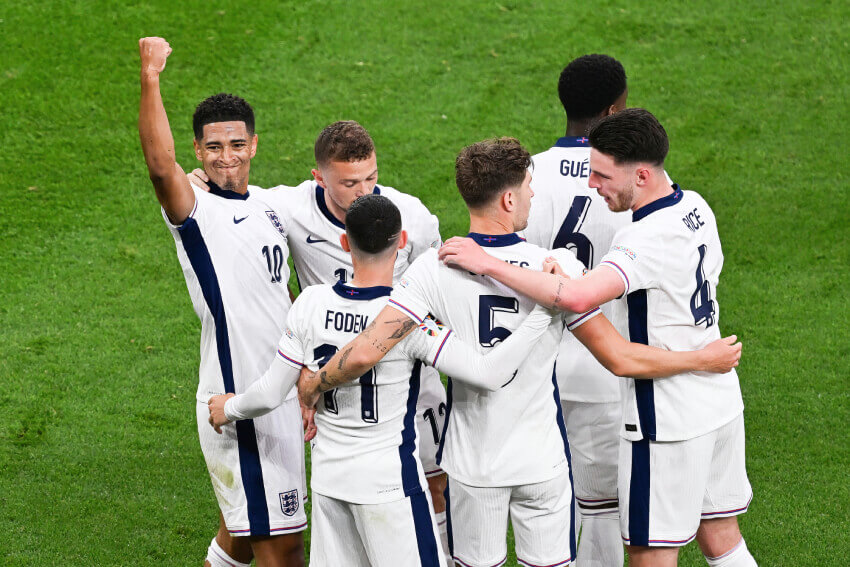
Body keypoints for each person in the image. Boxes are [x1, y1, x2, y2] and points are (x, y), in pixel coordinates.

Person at [298, 138, 742, 567]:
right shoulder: (558, 273)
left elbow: (367, 348)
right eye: (529, 187)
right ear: (509, 200)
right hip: (542, 462)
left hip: (473, 467)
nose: (534, 194)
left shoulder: (432, 270)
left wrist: (313, 385)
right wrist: (702, 360)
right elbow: (620, 357)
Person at [439, 110, 755, 567]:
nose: (592, 183)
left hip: (666, 419)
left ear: (641, 175)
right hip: (722, 404)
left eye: (603, 174)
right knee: (722, 537)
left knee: (650, 553)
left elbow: (579, 297)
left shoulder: (645, 238)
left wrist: (488, 262)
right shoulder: (696, 207)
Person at [206, 194, 556, 567]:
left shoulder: (310, 302)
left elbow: (270, 393)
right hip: (389, 486)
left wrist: (227, 407)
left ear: (345, 242)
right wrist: (543, 313)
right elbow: (489, 374)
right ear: (401, 241)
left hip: (329, 482)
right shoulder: (409, 317)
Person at [191, 120, 454, 562]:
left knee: (435, 479)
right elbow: (230, 199)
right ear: (319, 178)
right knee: (287, 511)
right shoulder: (285, 208)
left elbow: (440, 293)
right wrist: (201, 181)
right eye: (349, 183)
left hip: (407, 374)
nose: (365, 192)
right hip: (333, 391)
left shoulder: (410, 214)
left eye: (371, 177)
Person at [138, 37, 306, 567]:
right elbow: (160, 166)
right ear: (198, 152)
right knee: (284, 550)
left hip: (275, 390)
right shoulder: (195, 212)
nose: (226, 157)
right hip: (238, 403)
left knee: (239, 539)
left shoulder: (271, 205)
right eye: (214, 148)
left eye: (236, 145)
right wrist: (151, 77)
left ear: (254, 145)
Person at [521, 54, 630, 567]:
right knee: (602, 509)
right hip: (604, 367)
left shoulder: (526, 175)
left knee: (544, 507)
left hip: (536, 370)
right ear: (612, 112)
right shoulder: (633, 180)